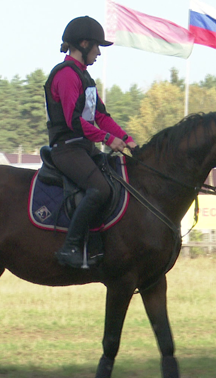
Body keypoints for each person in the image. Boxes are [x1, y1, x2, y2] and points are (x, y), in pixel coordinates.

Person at [44, 16, 137, 268]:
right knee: (100, 189)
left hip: (83, 148)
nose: (98, 53)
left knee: (115, 181)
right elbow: (74, 122)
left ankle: (98, 245)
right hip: (67, 149)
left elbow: (100, 117)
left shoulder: (85, 77)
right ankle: (70, 247)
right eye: (96, 47)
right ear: (83, 44)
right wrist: (107, 139)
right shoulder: (66, 75)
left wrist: (128, 141)